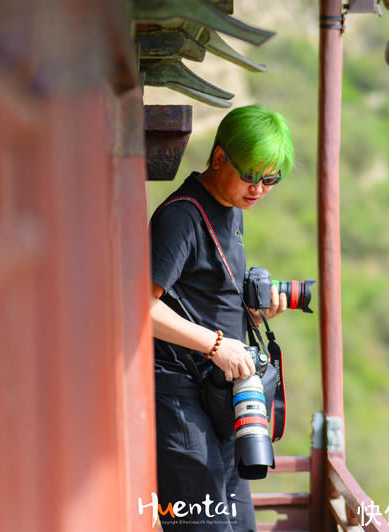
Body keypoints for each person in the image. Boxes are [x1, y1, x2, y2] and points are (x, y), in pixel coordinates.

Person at [149, 104, 294, 531]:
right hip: (179, 397)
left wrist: (251, 311)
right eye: (251, 175)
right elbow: (139, 306)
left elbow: (197, 293)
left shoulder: (230, 210)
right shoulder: (181, 217)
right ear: (218, 159)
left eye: (271, 179)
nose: (259, 189)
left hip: (221, 396)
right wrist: (216, 344)